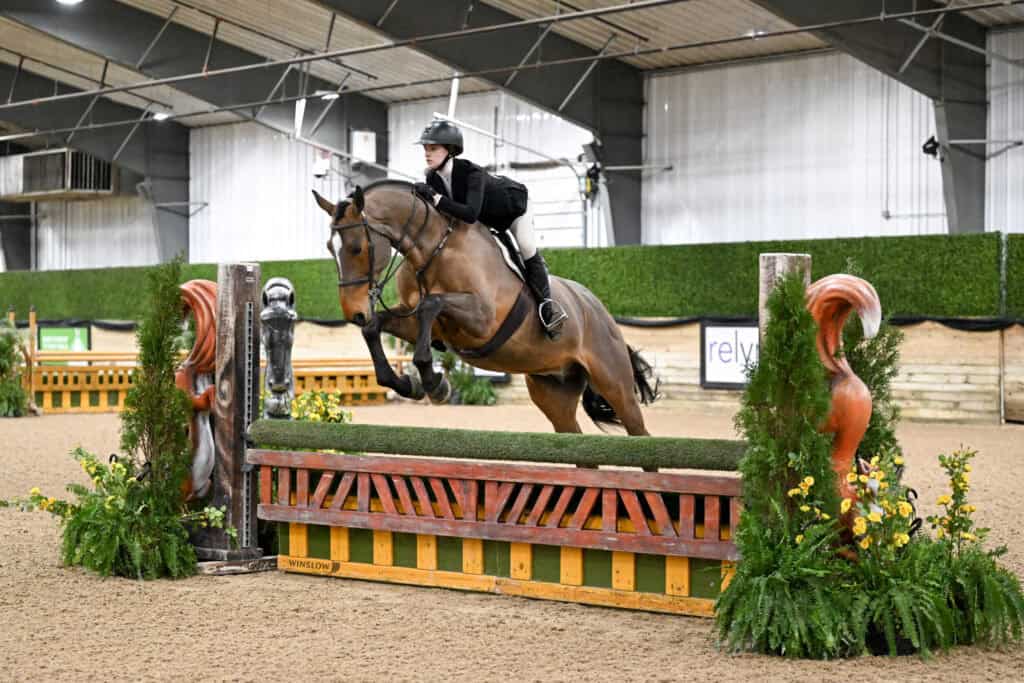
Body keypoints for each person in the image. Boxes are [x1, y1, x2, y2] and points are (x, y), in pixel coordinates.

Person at [412, 119, 567, 340]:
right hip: (485, 222)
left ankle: (547, 310)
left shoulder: (472, 173)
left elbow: (470, 213)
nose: (427, 153)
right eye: (426, 148)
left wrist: (435, 198)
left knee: (526, 246)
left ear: (450, 150)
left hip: (513, 211)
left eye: (433, 148)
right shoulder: (432, 177)